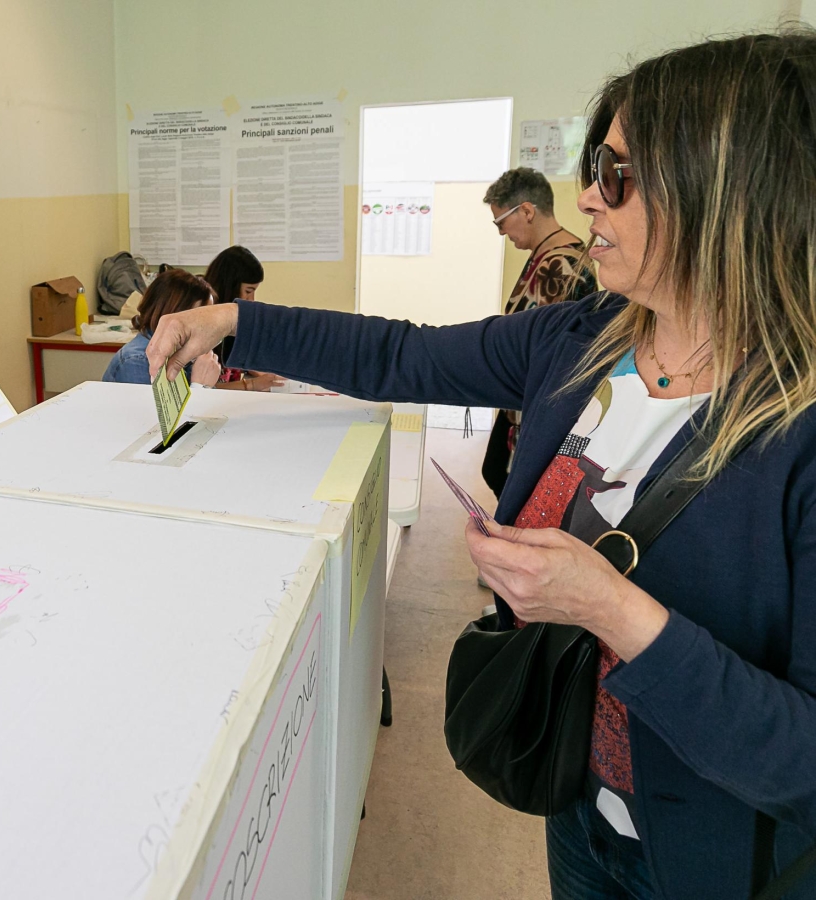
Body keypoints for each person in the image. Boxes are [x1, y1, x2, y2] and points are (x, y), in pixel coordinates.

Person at [147, 31, 816, 899]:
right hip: (576, 802)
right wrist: (240, 320)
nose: (586, 199)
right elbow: (402, 356)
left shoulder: (793, 432)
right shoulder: (579, 342)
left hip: (719, 863)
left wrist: (614, 611)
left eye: (617, 177)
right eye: (592, 167)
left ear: (728, 195)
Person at [482, 167, 597, 499]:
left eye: (500, 222)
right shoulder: (547, 256)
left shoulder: (560, 265)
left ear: (527, 211)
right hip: (519, 407)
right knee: (494, 471)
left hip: (537, 412)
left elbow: (545, 356)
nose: (502, 233)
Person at [102, 268, 221, 386]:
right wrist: (201, 386)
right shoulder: (137, 361)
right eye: (201, 319)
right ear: (174, 314)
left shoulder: (181, 351)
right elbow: (157, 406)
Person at [203, 245, 284, 392]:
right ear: (229, 286)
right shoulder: (205, 323)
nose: (251, 300)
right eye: (248, 291)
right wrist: (251, 385)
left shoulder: (235, 320)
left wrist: (256, 370)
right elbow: (201, 388)